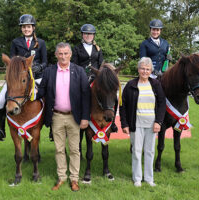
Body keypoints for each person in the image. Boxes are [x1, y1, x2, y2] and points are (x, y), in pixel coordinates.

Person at [37, 42, 90, 191]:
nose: (63, 56)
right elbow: (41, 91)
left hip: (75, 117)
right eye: (60, 53)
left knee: (74, 150)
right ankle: (61, 177)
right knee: (59, 149)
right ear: (56, 55)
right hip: (56, 116)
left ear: (70, 54)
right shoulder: (49, 71)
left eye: (66, 53)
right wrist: (30, 95)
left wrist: (85, 117)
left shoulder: (79, 71)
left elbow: (86, 96)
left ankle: (74, 179)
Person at [0, 14, 47, 141]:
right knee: (0, 101)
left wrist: (39, 67)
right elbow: (12, 62)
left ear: (33, 28)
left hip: (36, 77)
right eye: (23, 27)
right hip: (18, 78)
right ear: (21, 29)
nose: (26, 29)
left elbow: (45, 62)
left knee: (50, 97)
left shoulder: (41, 43)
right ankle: (1, 130)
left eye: (28, 27)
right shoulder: (16, 42)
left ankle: (52, 127)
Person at [71, 24, 117, 157]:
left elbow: (101, 64)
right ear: (82, 35)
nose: (88, 36)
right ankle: (80, 121)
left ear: (93, 36)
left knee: (113, 95)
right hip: (82, 77)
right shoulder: (77, 49)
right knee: (78, 97)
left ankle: (112, 123)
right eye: (85, 34)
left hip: (97, 77)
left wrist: (100, 75)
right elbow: (74, 64)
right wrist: (83, 74)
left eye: (90, 34)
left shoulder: (98, 48)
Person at [119, 57, 166, 187]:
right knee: (136, 151)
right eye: (142, 68)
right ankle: (137, 178)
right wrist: (124, 124)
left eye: (147, 69)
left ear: (151, 70)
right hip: (136, 123)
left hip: (152, 124)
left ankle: (149, 178)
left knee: (150, 151)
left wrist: (159, 122)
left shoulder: (156, 84)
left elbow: (162, 104)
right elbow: (123, 106)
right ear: (138, 69)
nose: (145, 71)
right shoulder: (131, 85)